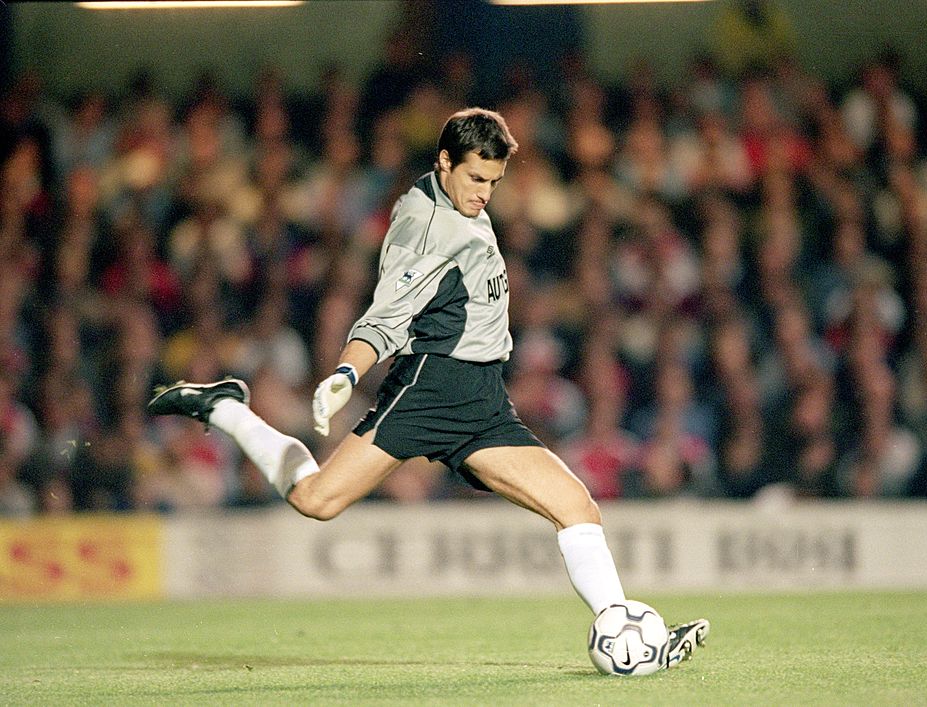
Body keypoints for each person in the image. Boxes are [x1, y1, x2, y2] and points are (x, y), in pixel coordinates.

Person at [147, 107, 708, 669]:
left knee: (577, 508)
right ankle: (227, 409)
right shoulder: (426, 231)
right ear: (445, 162)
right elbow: (384, 317)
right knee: (317, 500)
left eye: (494, 182)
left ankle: (634, 639)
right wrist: (346, 373)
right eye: (476, 179)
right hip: (429, 389)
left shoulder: (448, 198)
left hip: (483, 399)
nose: (485, 193)